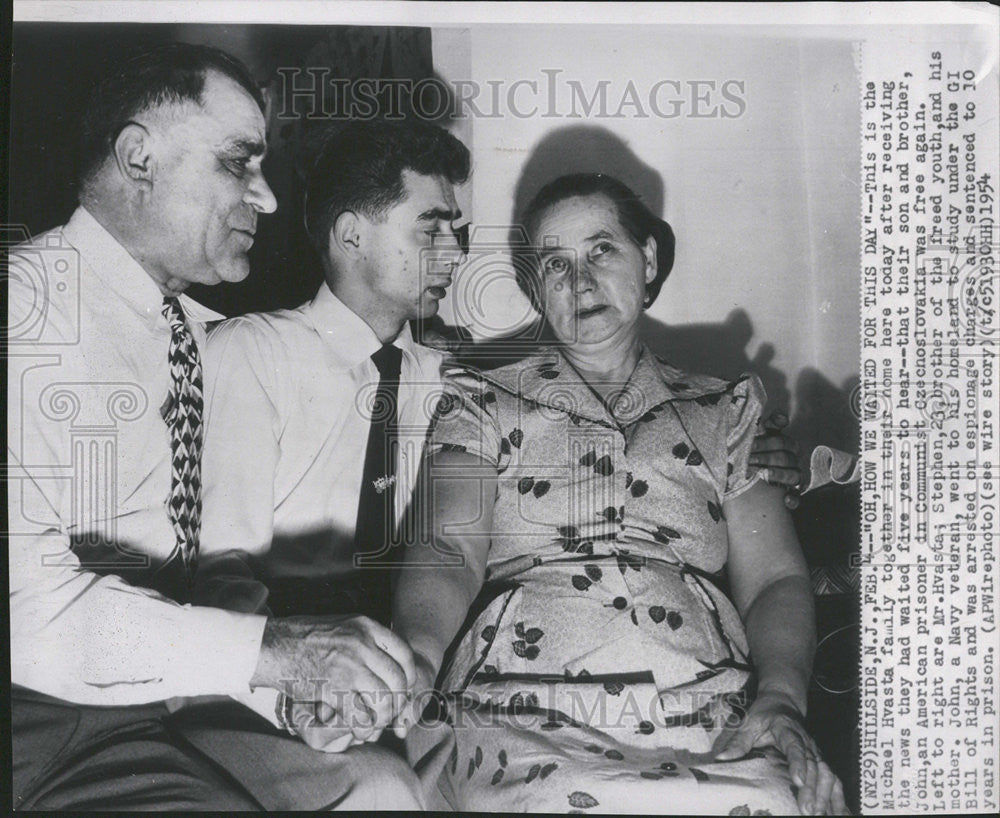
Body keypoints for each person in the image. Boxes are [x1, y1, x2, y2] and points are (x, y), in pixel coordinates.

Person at [7, 43, 422, 810]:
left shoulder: (191, 337)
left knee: (385, 790)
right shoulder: (25, 314)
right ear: (140, 158)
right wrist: (277, 654)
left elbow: (195, 577)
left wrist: (290, 694)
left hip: (153, 709)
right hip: (33, 724)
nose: (265, 198)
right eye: (239, 163)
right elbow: (23, 614)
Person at [394, 173, 848, 814]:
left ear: (650, 259)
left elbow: (775, 578)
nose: (580, 281)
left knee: (784, 800)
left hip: (703, 699)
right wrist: (416, 656)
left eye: (602, 249)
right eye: (554, 264)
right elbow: (449, 550)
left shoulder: (725, 409)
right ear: (535, 289)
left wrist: (779, 698)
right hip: (523, 699)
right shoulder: (480, 400)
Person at [193, 118, 470, 751]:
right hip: (277, 689)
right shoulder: (255, 353)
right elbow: (224, 566)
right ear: (351, 234)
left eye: (455, 230)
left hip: (405, 679)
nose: (454, 253)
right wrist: (294, 696)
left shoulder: (449, 379)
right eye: (431, 228)